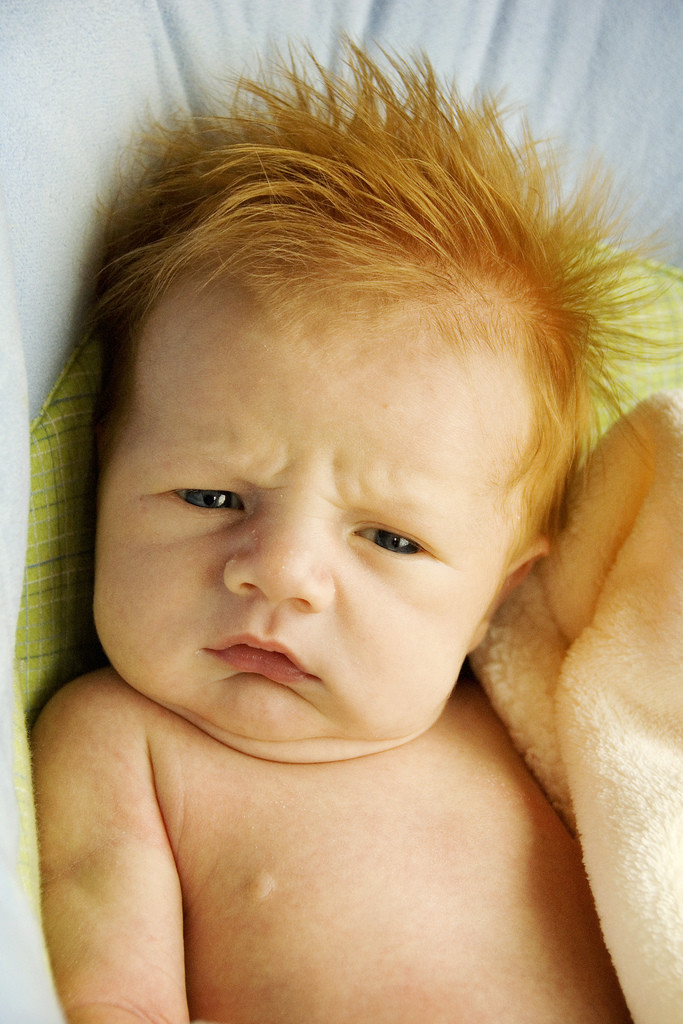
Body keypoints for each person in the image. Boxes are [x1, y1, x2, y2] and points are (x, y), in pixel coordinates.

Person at [31, 45, 641, 1023]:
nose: (280, 574)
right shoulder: (117, 739)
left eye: (391, 541)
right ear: (106, 470)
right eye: (209, 497)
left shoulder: (535, 725)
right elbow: (114, 993)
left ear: (501, 589)